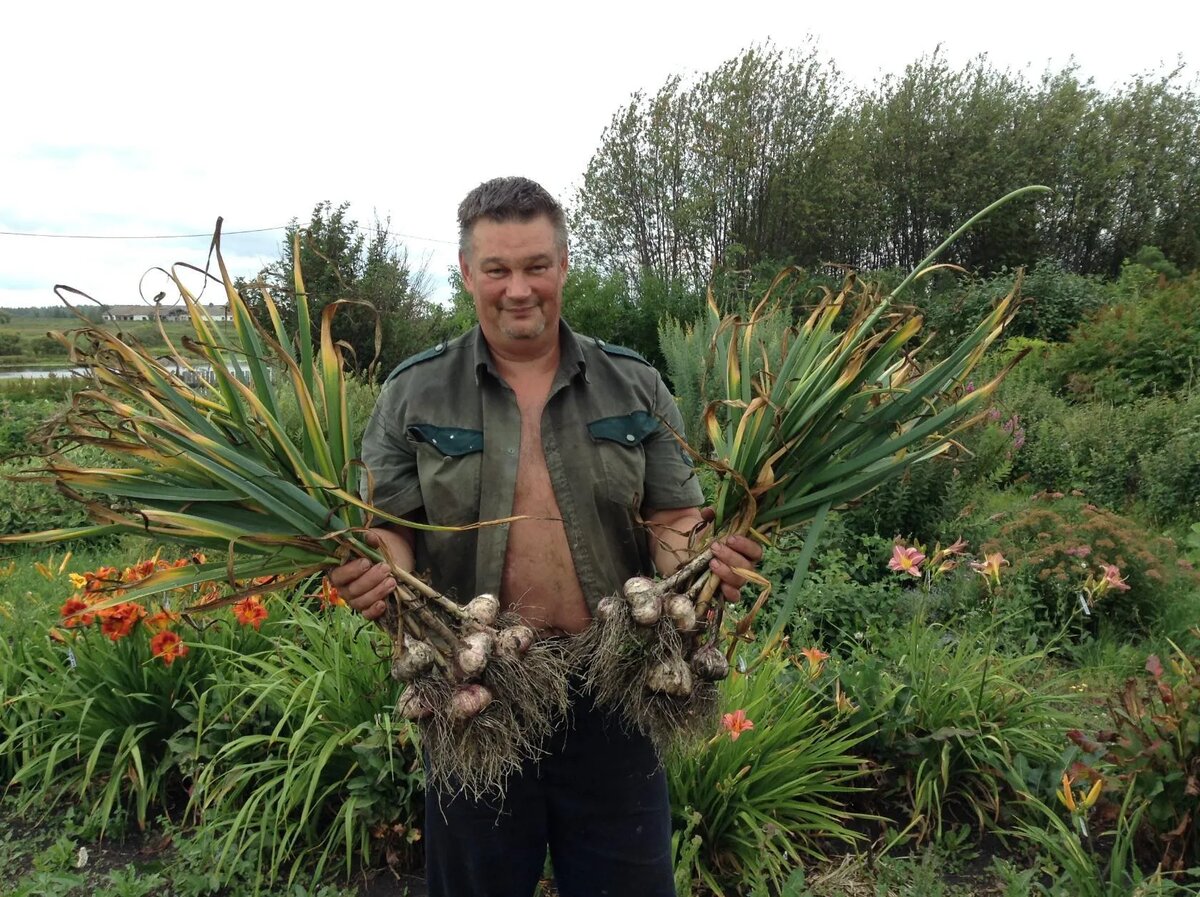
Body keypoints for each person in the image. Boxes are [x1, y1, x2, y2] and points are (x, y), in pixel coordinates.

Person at [328, 176, 762, 897]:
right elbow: (389, 528)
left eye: (535, 265)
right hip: (474, 691)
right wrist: (375, 571)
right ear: (467, 272)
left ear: (564, 264)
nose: (518, 289)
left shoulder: (633, 383)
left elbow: (673, 519)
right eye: (497, 269)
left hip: (618, 682)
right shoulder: (415, 391)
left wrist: (705, 568)